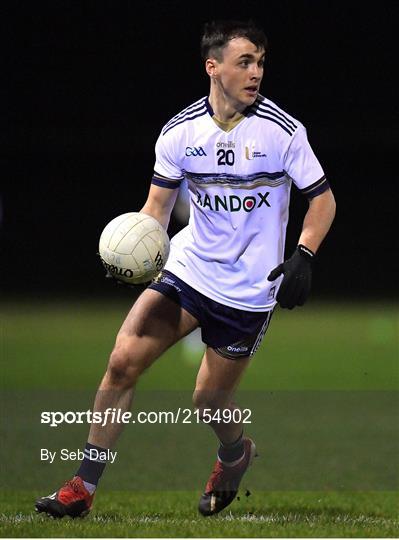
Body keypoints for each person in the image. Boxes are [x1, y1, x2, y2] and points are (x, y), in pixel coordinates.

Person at [35, 19, 336, 518]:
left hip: (248, 290)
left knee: (208, 403)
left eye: (260, 62)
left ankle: (235, 455)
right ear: (212, 67)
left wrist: (304, 254)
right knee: (122, 361)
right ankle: (81, 488)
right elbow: (157, 208)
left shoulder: (283, 132)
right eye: (245, 61)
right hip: (189, 269)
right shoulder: (180, 132)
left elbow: (322, 201)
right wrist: (136, 254)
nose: (256, 71)